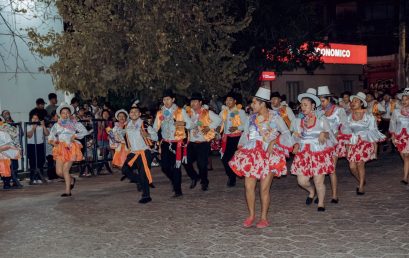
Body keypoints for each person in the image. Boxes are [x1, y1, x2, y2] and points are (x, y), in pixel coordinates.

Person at [229, 87, 293, 228]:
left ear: (263, 103)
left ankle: (263, 217)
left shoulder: (275, 117)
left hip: (268, 155)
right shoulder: (251, 118)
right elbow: (245, 135)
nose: (252, 105)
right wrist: (240, 150)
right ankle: (251, 215)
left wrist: (274, 141)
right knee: (248, 186)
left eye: (254, 103)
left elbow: (287, 134)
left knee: (264, 189)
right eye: (252, 103)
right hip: (251, 154)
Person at [291, 88, 337, 212]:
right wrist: (295, 144)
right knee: (302, 181)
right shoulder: (298, 120)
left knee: (318, 180)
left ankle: (321, 203)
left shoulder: (321, 119)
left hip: (318, 153)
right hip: (303, 154)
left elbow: (331, 135)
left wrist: (323, 133)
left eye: (305, 105)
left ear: (313, 106)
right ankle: (311, 191)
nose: (303, 107)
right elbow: (296, 135)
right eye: (301, 105)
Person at [153, 89, 192, 197]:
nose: (166, 102)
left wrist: (179, 123)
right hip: (165, 143)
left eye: (168, 99)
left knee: (176, 168)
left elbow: (190, 125)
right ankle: (174, 181)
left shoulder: (181, 111)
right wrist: (149, 134)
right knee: (164, 167)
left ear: (173, 99)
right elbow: (155, 128)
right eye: (164, 99)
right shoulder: (160, 113)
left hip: (177, 143)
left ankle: (178, 191)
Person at [317, 86, 351, 203]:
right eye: (319, 100)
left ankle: (334, 195)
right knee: (319, 169)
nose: (321, 103)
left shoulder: (339, 110)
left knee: (331, 169)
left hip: (334, 142)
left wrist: (343, 139)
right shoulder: (318, 111)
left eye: (323, 100)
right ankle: (319, 193)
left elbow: (345, 125)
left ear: (329, 99)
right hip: (321, 143)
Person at [347, 92, 386, 195]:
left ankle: (360, 187)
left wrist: (375, 147)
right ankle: (361, 180)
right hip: (353, 142)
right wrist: (346, 146)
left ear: (361, 103)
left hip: (365, 142)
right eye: (352, 101)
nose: (353, 103)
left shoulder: (368, 116)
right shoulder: (348, 116)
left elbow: (373, 131)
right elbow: (347, 132)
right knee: (352, 167)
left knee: (360, 164)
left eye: (356, 101)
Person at [48, 103, 89, 197]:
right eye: (63, 113)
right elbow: (51, 136)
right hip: (60, 149)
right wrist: (53, 142)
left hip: (71, 148)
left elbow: (85, 132)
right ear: (60, 114)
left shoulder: (75, 123)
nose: (65, 114)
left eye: (67, 113)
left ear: (70, 114)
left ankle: (68, 191)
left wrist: (75, 136)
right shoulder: (57, 125)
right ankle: (71, 179)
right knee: (59, 172)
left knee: (65, 170)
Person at [185, 92, 222, 191]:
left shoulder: (207, 112)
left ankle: (204, 181)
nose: (192, 103)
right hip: (192, 143)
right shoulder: (188, 113)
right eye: (191, 101)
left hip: (203, 143)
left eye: (195, 101)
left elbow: (218, 120)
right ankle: (194, 177)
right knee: (186, 161)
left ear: (200, 102)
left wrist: (209, 127)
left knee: (202, 164)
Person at [121, 106, 158, 203]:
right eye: (132, 112)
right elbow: (124, 138)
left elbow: (156, 137)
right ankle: (140, 181)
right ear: (129, 114)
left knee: (143, 173)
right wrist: (117, 136)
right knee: (125, 169)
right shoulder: (127, 126)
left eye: (136, 112)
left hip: (144, 152)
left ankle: (146, 196)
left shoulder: (144, 124)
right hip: (133, 152)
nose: (133, 113)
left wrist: (148, 135)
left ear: (140, 114)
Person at [219, 91, 247, 187]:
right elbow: (220, 124)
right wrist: (216, 133)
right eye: (226, 100)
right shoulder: (223, 112)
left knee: (238, 158)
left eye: (230, 100)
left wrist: (237, 128)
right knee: (225, 159)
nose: (228, 101)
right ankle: (231, 176)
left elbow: (245, 125)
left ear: (235, 101)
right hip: (227, 138)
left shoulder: (240, 112)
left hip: (237, 138)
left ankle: (237, 176)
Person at [389, 88, 409, 184]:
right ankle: (407, 171)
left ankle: (405, 177)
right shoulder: (396, 111)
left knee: (406, 157)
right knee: (403, 157)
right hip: (400, 136)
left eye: (407, 99)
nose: (404, 101)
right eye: (403, 99)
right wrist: (393, 136)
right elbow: (392, 124)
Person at [26, 113, 50, 185]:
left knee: (40, 161)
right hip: (31, 145)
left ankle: (40, 177)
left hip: (40, 145)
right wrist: (33, 127)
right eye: (34, 118)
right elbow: (29, 135)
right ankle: (32, 178)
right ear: (31, 119)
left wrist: (43, 126)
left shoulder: (40, 126)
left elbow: (47, 134)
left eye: (37, 118)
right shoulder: (28, 126)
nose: (35, 120)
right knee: (32, 161)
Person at [0, 116, 21, 190]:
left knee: (6, 167)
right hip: (4, 152)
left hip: (5, 152)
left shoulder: (5, 130)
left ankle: (7, 183)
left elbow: (10, 142)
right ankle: (7, 183)